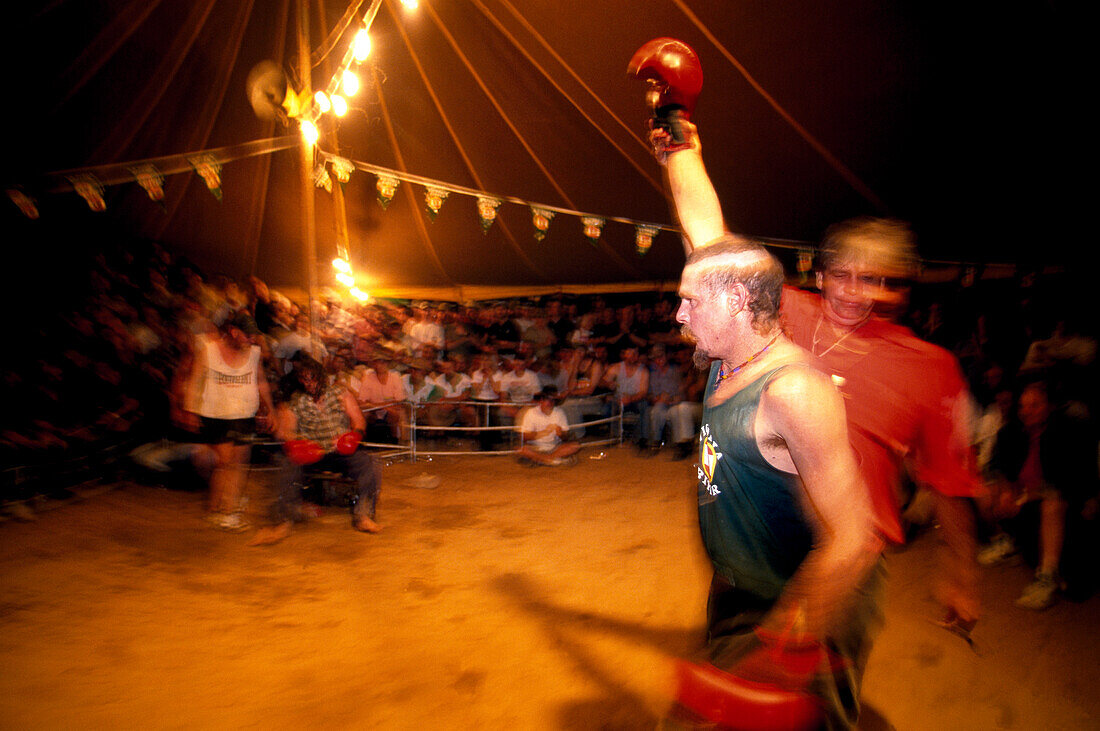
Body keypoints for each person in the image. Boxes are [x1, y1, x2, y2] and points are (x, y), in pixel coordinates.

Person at [656, 120, 981, 632]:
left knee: (801, 701)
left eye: (872, 279)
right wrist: (679, 142)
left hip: (843, 566)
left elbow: (949, 482)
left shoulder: (929, 368)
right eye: (843, 275)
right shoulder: (780, 312)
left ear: (894, 287)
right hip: (752, 549)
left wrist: (962, 575)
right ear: (820, 274)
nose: (854, 292)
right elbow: (709, 240)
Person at [669, 237, 880, 728]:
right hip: (735, 586)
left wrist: (789, 648)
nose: (680, 314)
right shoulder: (726, 358)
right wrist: (680, 156)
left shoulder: (794, 391)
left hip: (783, 603)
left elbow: (853, 537)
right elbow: (700, 225)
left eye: (690, 301)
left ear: (736, 301)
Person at [249, 358, 382, 545]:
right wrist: (296, 445)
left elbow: (358, 420)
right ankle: (282, 522)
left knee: (369, 463)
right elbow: (285, 431)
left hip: (338, 450)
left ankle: (364, 516)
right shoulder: (295, 401)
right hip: (311, 451)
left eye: (312, 379)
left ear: (321, 377)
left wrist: (353, 436)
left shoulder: (340, 393)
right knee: (287, 465)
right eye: (304, 380)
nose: (309, 384)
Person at [172, 313, 275, 532]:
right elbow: (196, 380)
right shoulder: (208, 350)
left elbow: (261, 381)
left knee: (236, 462)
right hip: (215, 415)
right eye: (248, 336)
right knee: (227, 463)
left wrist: (270, 410)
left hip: (243, 414)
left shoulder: (254, 353)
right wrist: (190, 411)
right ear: (235, 333)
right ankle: (225, 510)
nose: (252, 340)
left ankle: (222, 509)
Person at [515, 387, 581, 466]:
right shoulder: (531, 413)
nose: (550, 403)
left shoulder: (559, 412)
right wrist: (543, 433)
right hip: (536, 447)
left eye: (553, 400)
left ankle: (544, 459)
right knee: (523, 450)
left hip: (555, 447)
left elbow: (565, 436)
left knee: (575, 445)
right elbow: (524, 437)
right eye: (547, 399)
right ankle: (551, 459)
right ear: (541, 400)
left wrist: (561, 434)